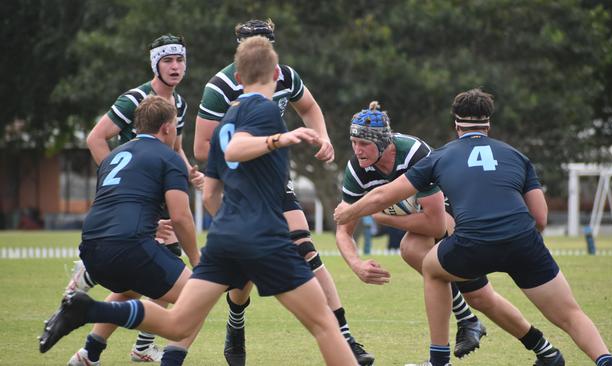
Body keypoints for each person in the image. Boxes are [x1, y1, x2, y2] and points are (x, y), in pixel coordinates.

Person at [40, 36, 358, 366]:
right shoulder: (263, 110)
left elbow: (209, 194)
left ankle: (91, 308)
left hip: (224, 239)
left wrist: (230, 226)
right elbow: (238, 148)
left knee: (178, 322)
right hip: (264, 236)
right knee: (324, 324)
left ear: (238, 79)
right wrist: (281, 138)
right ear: (277, 75)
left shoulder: (225, 121)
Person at [334, 89, 612, 366]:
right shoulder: (516, 156)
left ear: (456, 124)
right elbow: (541, 218)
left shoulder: (438, 156)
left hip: (472, 241)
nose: (357, 150)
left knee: (430, 267)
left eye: (364, 144)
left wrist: (355, 212)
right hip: (522, 240)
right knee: (569, 314)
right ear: (489, 124)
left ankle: (440, 359)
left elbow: (392, 200)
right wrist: (521, 243)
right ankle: (600, 359)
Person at [193, 19, 373, 365]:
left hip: (274, 181)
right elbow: (203, 148)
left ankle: (345, 336)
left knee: (305, 247)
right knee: (243, 267)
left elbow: (309, 108)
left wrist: (321, 137)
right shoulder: (220, 87)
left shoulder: (284, 77)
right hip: (240, 185)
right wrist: (261, 145)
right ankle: (236, 320)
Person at [64, 33, 204, 364]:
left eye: (179, 59)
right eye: (167, 60)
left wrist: (188, 171)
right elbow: (96, 138)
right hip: (139, 205)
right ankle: (138, 348)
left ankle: (95, 351)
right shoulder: (135, 98)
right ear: (155, 64)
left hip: (150, 200)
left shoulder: (179, 103)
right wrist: (124, 188)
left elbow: (175, 148)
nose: (174, 66)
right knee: (184, 286)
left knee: (138, 283)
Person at [41, 95, 201, 366]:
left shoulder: (114, 155)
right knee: (197, 298)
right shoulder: (168, 157)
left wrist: (150, 227)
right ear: (166, 127)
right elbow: (182, 217)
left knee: (129, 288)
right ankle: (168, 361)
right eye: (175, 124)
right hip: (128, 247)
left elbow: (116, 204)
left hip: (91, 249)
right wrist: (198, 262)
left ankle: (87, 355)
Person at [337, 101, 492, 358]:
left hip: (458, 214)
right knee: (414, 250)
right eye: (353, 142)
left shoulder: (414, 154)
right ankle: (538, 348)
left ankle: (473, 324)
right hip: (426, 222)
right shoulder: (357, 169)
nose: (357, 150)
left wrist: (385, 219)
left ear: (384, 143)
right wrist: (356, 264)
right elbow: (343, 229)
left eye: (364, 143)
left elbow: (436, 223)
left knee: (481, 297)